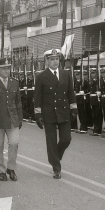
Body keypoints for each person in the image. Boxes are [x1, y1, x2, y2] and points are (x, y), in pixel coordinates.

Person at [34, 49, 77, 179]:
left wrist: (74, 109)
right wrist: (38, 115)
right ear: (46, 61)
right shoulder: (41, 76)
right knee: (51, 142)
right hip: (49, 113)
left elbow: (71, 93)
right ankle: (56, 168)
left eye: (57, 59)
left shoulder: (65, 74)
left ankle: (55, 157)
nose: (55, 62)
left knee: (66, 139)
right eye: (52, 59)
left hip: (63, 111)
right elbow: (37, 97)